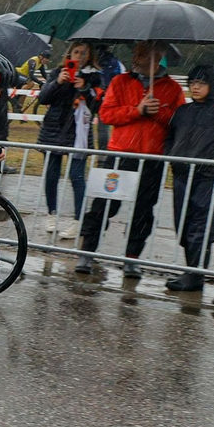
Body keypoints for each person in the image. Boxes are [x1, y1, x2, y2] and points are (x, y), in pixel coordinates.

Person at [75, 40, 182, 277]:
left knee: (144, 211)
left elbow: (179, 121)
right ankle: (87, 252)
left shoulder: (173, 88)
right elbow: (107, 113)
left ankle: (132, 257)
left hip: (152, 158)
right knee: (103, 206)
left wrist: (159, 113)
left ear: (158, 56)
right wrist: (137, 110)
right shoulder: (120, 81)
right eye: (136, 52)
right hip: (120, 155)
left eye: (143, 54)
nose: (136, 57)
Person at [161, 65, 214, 292]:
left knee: (201, 223)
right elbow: (169, 138)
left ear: (212, 86)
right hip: (180, 174)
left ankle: (196, 273)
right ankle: (191, 270)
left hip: (204, 176)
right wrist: (171, 155)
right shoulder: (182, 111)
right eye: (193, 83)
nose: (196, 87)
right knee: (184, 223)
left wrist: (213, 157)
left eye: (202, 83)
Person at [36, 41, 102, 240]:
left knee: (77, 176)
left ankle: (77, 219)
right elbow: (43, 98)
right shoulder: (58, 72)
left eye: (84, 53)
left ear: (89, 56)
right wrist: (58, 82)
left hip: (79, 131)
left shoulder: (95, 76)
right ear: (69, 53)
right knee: (52, 174)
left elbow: (97, 105)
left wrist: (85, 88)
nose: (79, 56)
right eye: (76, 52)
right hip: (54, 129)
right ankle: (51, 213)